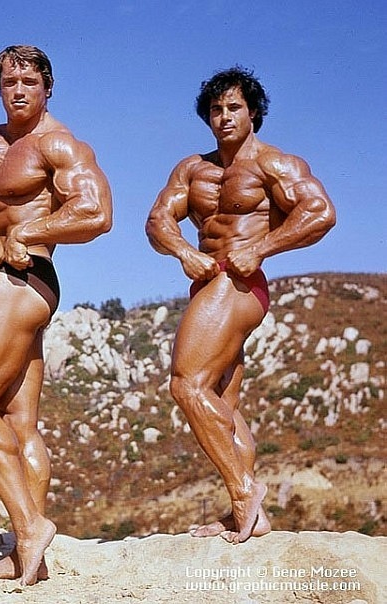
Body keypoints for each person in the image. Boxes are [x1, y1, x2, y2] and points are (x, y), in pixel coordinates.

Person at [0, 45, 112, 585]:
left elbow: (97, 213)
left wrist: (29, 231)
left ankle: (30, 526)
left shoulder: (57, 143)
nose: (19, 90)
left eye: (30, 81)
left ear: (48, 88)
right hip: (5, 277)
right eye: (9, 81)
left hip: (27, 276)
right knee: (19, 422)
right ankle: (27, 554)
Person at [145, 66, 336, 544]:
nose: (224, 117)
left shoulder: (274, 164)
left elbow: (320, 212)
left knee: (186, 384)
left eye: (234, 107)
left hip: (241, 282)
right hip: (208, 285)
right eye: (216, 109)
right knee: (221, 401)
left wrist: (263, 247)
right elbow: (157, 221)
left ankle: (243, 491)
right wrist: (183, 251)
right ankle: (248, 517)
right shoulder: (193, 169)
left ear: (254, 113)